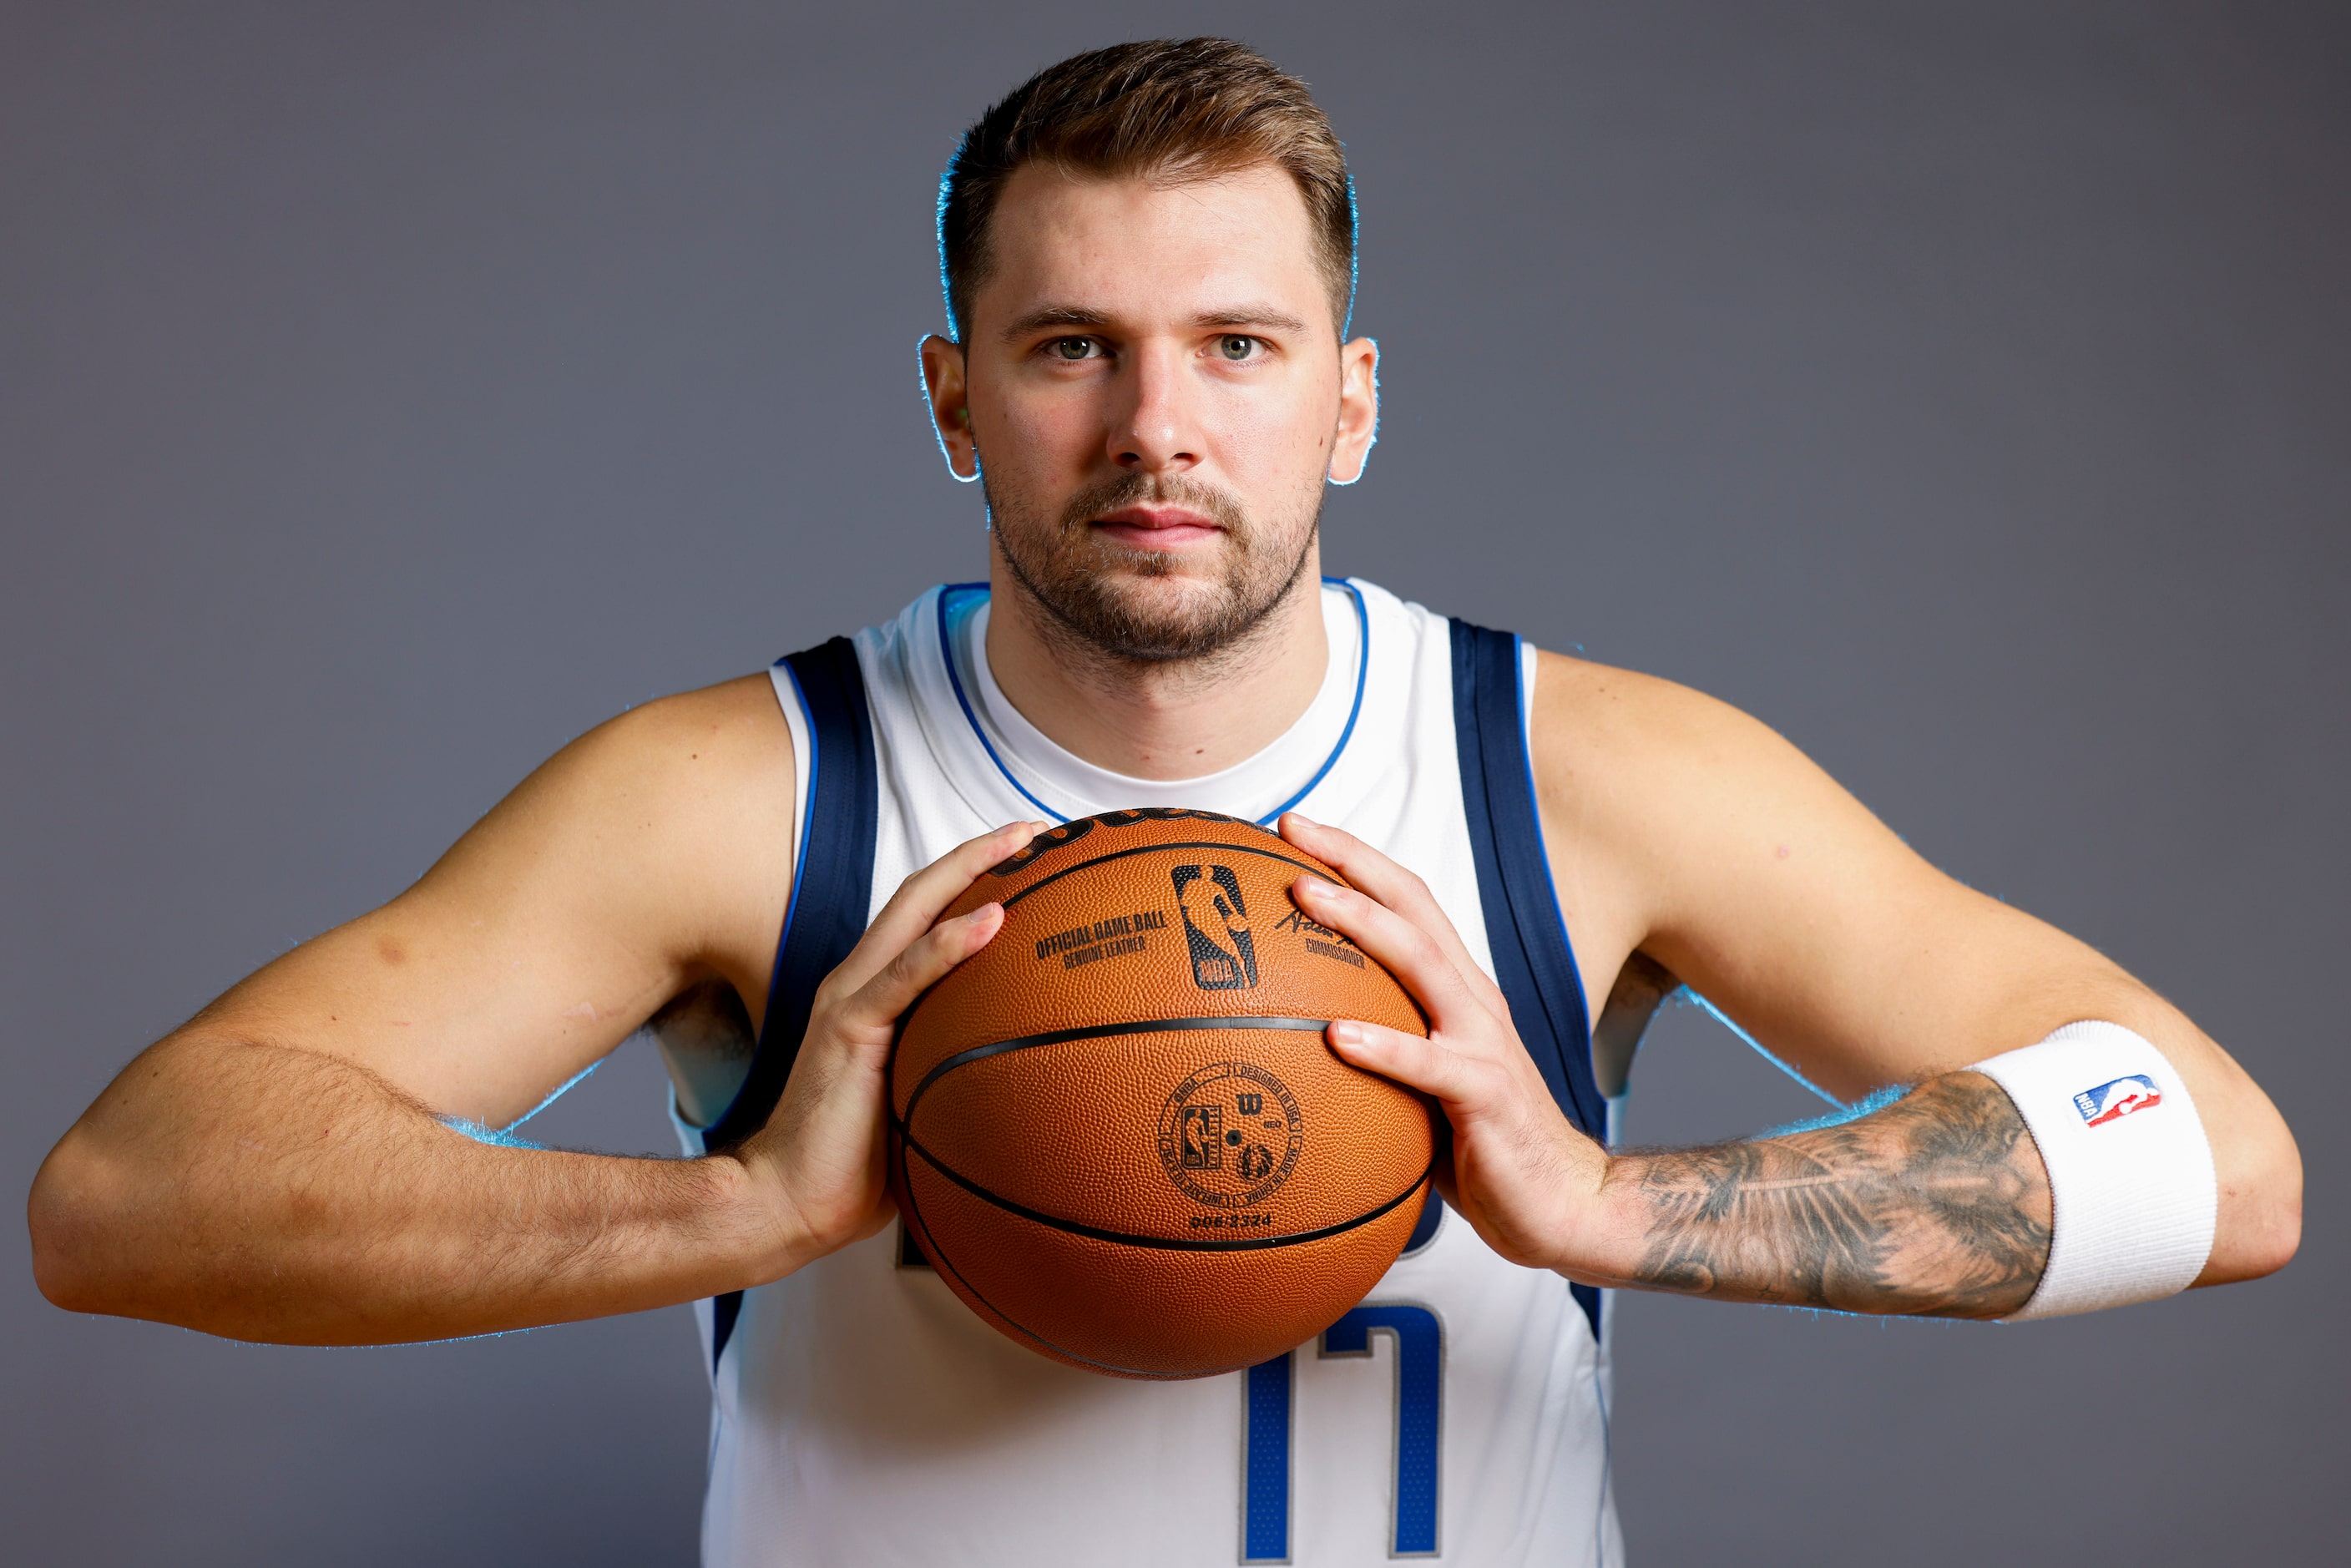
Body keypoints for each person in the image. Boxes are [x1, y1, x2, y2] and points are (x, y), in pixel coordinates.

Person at [27, 37, 2300, 1567]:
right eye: (1066, 349)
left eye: (1236, 346)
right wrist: (730, 1216)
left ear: (1351, 398)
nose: (1155, 430)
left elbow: (2225, 1159)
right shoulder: (739, 796)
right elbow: (125, 1199)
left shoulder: (1589, 780)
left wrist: (1617, 1205)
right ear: (955, 400)